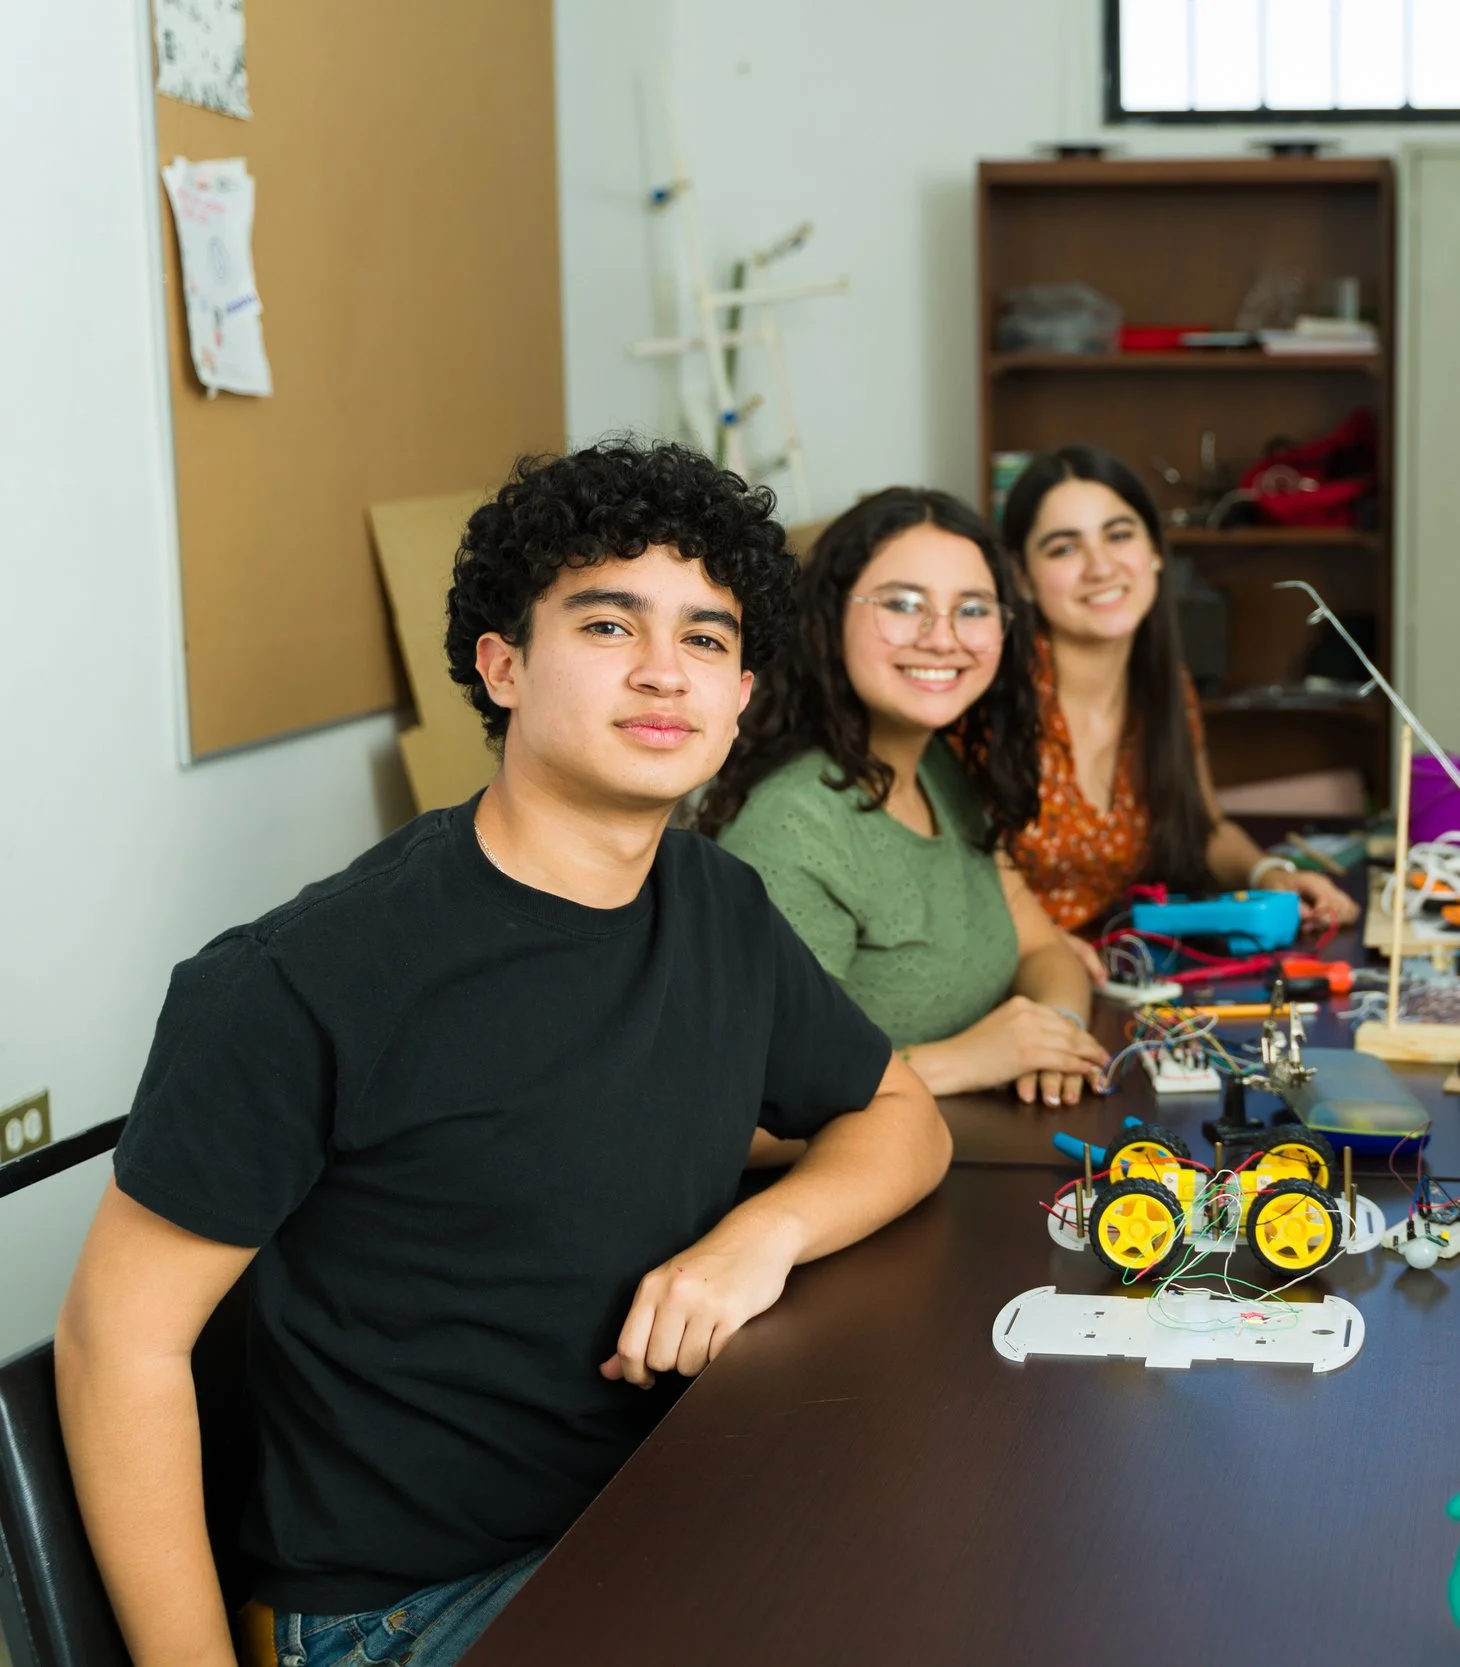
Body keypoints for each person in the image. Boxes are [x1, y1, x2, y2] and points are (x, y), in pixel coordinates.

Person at [55, 440, 953, 1666]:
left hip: (657, 1513)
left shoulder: (716, 904)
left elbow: (902, 1114)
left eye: (705, 638)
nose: (661, 671)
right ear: (504, 665)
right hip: (407, 1605)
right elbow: (120, 1343)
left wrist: (758, 1239)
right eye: (606, 623)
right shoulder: (306, 977)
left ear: (742, 693)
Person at [700, 487, 1109, 1111]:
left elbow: (1043, 946)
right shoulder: (793, 824)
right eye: (902, 604)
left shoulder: (938, 765)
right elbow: (757, 1100)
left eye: (972, 609)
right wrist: (967, 1058)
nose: (942, 637)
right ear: (829, 618)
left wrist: (1056, 1033)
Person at [998, 446, 1359, 961]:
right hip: (1017, 984)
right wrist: (1046, 951)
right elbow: (958, 886)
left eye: (1119, 535)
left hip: (1125, 968)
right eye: (1063, 548)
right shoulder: (992, 697)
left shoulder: (1164, 687)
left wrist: (1270, 874)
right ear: (1022, 578)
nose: (1100, 566)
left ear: (1154, 552)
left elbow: (1204, 827)